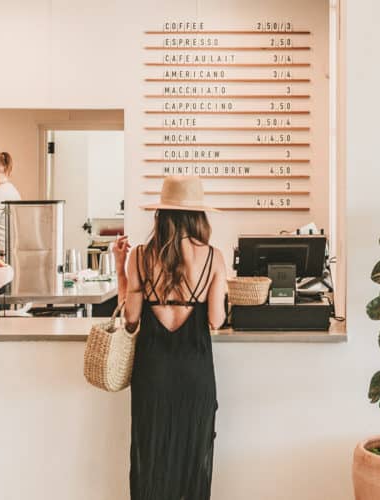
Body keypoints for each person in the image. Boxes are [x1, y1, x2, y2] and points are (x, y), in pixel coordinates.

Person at [112, 175, 226, 500]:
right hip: (195, 373)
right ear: (199, 216)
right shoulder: (213, 257)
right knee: (193, 455)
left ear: (160, 215)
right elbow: (216, 320)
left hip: (153, 372)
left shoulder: (141, 257)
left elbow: (131, 319)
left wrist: (121, 267)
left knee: (151, 455)